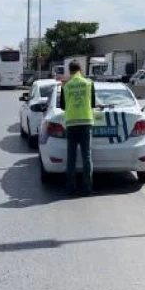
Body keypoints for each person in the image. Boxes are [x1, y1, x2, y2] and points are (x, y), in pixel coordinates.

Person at [59, 60, 95, 195]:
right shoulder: (89, 83)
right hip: (86, 123)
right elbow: (93, 104)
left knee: (71, 157)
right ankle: (87, 188)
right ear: (80, 70)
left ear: (70, 71)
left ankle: (71, 187)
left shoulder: (66, 86)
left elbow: (62, 106)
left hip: (71, 124)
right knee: (86, 157)